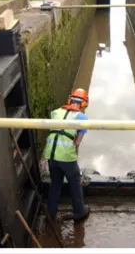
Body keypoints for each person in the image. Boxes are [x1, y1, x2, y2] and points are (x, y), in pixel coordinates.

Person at [45, 88, 91, 222]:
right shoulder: (82, 117)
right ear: (84, 104)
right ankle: (79, 211)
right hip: (66, 157)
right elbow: (77, 142)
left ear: (70, 99)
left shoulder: (55, 112)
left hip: (51, 153)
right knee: (75, 183)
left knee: (55, 183)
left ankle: (51, 213)